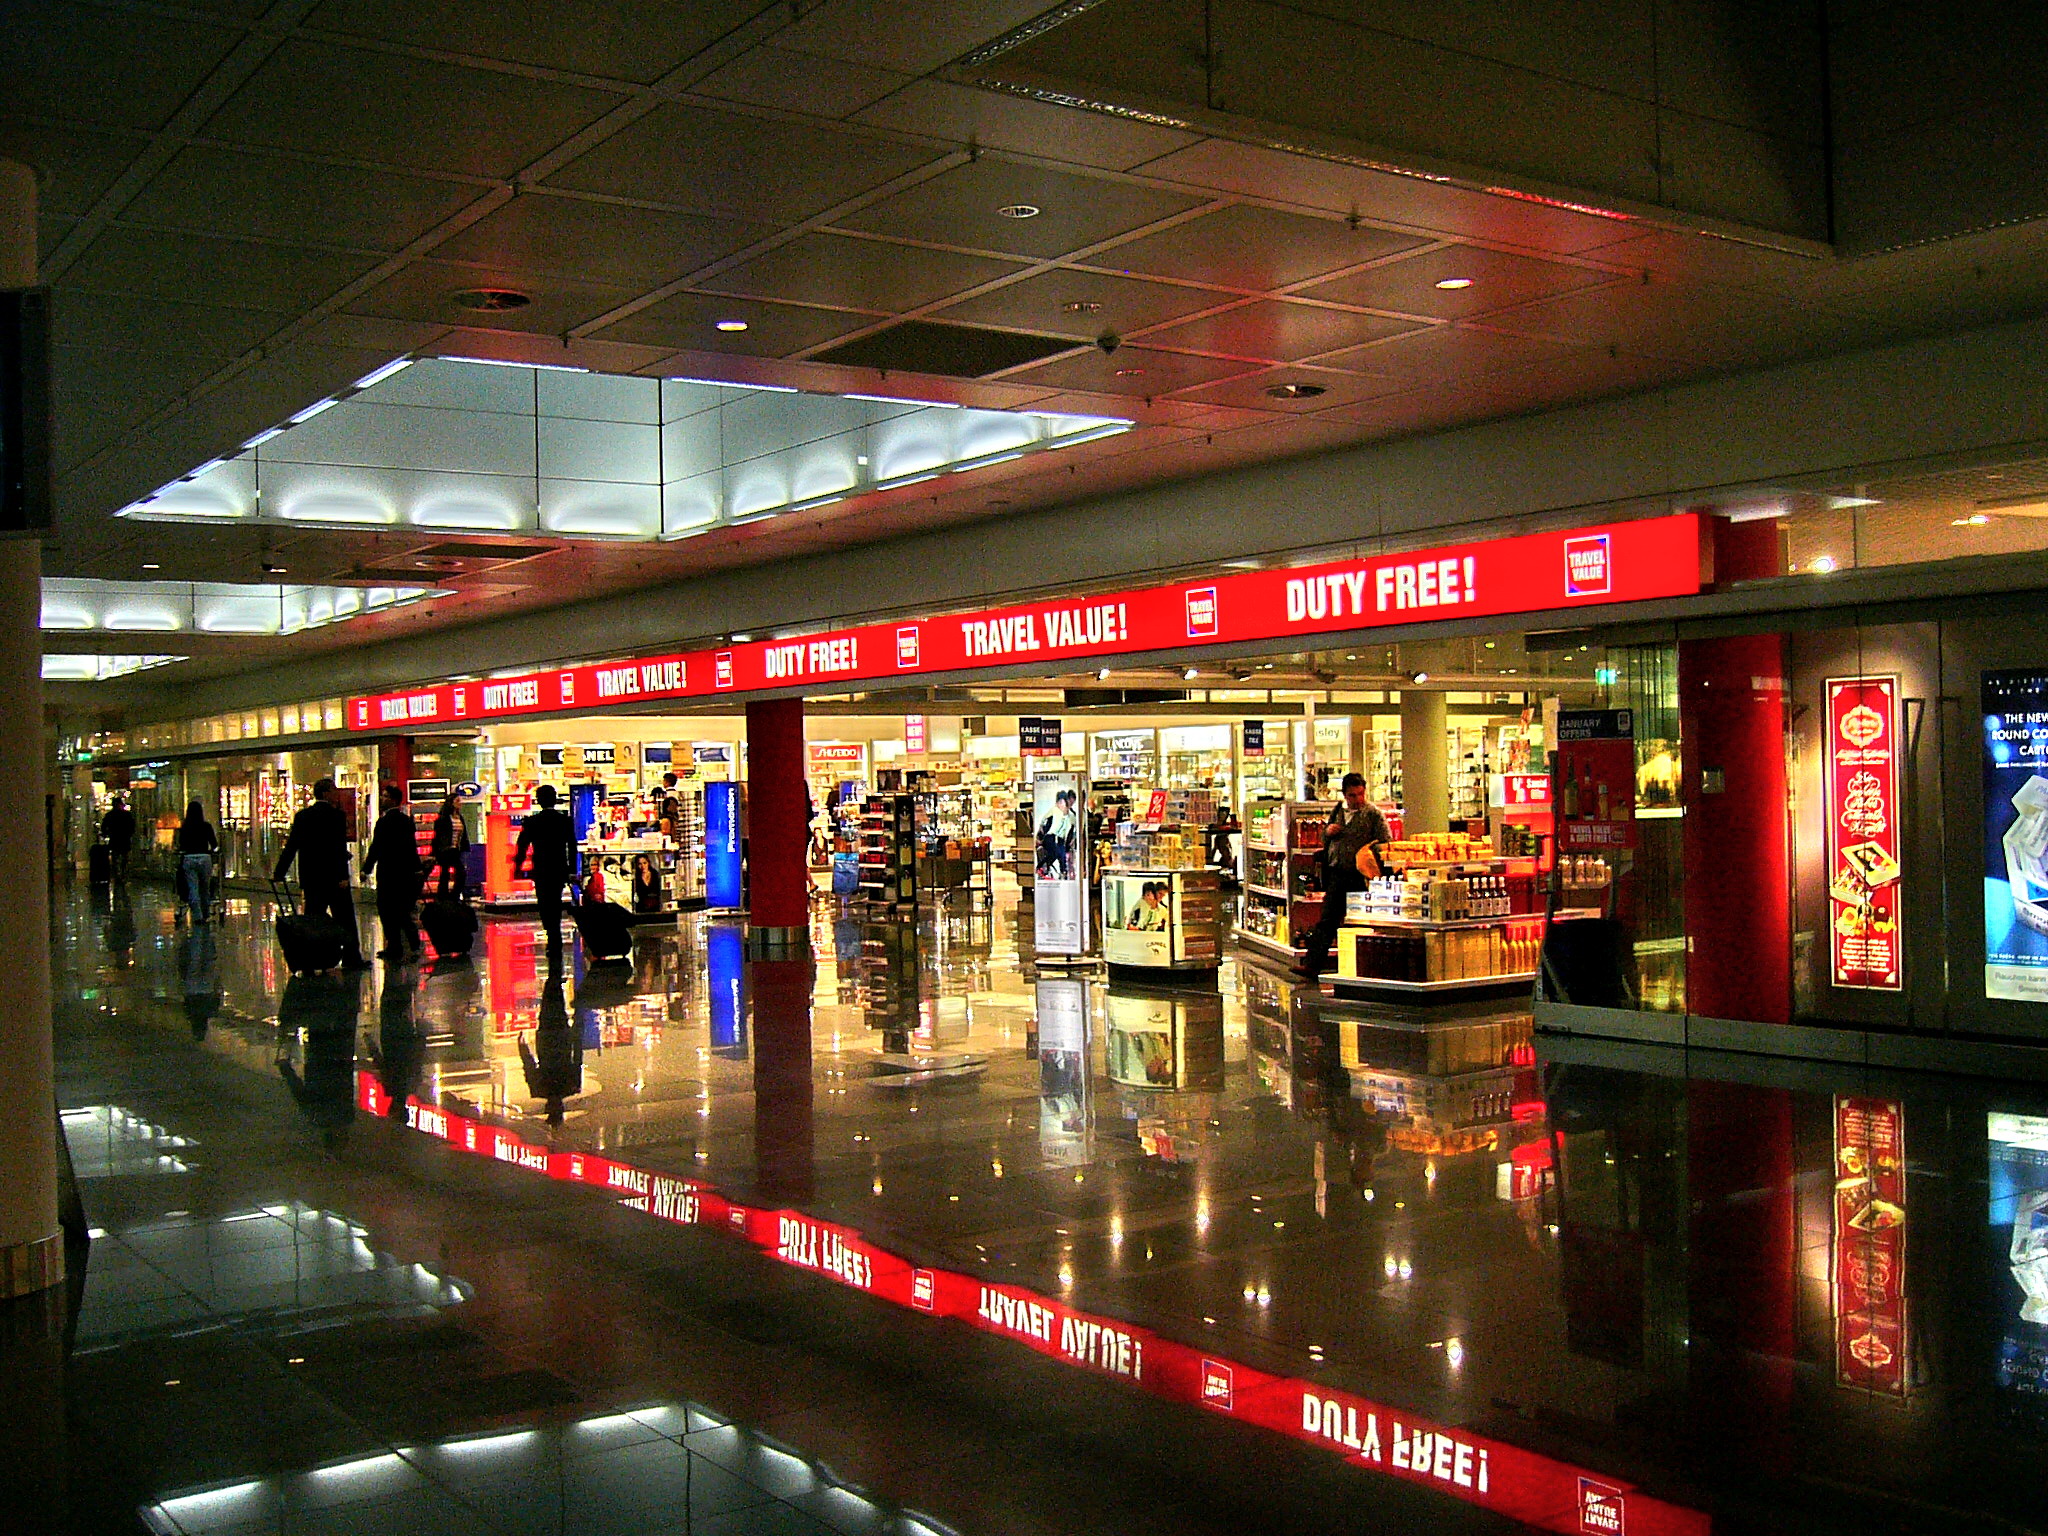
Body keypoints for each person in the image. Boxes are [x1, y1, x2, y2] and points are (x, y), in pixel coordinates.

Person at [1301, 772, 1392, 978]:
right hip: (1337, 873)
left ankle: (1362, 966)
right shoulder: (1337, 811)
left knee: (1360, 921)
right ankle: (1312, 965)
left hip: (1359, 875)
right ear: (1344, 795)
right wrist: (1328, 832)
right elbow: (1326, 837)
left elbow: (1386, 841)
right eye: (1352, 795)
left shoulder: (1373, 814)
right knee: (1327, 920)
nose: (1357, 799)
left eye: (1360, 794)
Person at [272, 776, 368, 969]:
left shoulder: (303, 817)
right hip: (334, 878)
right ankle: (351, 957)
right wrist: (343, 876)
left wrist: (279, 872)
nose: (336, 794)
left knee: (313, 920)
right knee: (345, 918)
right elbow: (337, 848)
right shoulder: (336, 816)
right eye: (333, 790)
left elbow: (292, 846)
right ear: (326, 793)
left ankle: (310, 959)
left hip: (312, 879)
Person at [360, 782, 424, 962]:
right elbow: (411, 848)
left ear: (394, 800)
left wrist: (366, 869)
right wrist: (417, 868)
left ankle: (395, 946)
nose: (382, 799)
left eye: (385, 796)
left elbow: (377, 848)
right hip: (404, 873)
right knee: (403, 910)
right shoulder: (405, 821)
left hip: (388, 872)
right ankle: (413, 944)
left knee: (387, 910)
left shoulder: (384, 822)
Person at [514, 784, 576, 949]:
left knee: (544, 901)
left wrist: (518, 866)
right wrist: (572, 869)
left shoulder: (533, 822)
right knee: (556, 900)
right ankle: (555, 933)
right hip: (559, 866)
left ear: (539, 800)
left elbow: (522, 845)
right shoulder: (564, 820)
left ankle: (551, 932)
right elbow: (572, 845)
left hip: (541, 866)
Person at [174, 799, 219, 923]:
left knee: (192, 887)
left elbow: (181, 845)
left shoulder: (185, 827)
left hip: (189, 858)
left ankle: (197, 916)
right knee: (205, 887)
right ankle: (206, 914)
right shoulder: (206, 826)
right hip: (204, 858)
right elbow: (214, 844)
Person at [430, 793, 470, 899]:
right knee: (445, 873)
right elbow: (437, 836)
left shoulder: (460, 817)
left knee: (460, 872)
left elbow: (463, 834)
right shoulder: (443, 818)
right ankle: (443, 896)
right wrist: (435, 851)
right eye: (457, 801)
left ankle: (454, 895)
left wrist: (464, 847)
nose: (460, 803)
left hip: (456, 849)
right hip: (445, 849)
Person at [100, 796, 136, 881]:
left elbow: (104, 827)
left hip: (115, 838)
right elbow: (132, 826)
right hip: (124, 838)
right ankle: (123, 873)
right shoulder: (127, 815)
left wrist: (105, 834)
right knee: (124, 857)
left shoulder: (110, 815)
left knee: (115, 857)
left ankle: (117, 874)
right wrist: (130, 833)